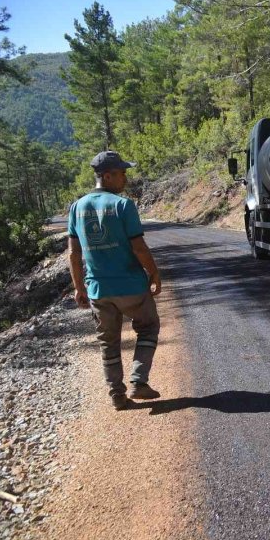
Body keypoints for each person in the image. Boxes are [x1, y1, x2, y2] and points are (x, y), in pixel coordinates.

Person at [67, 151, 163, 410]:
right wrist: (154, 272)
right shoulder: (123, 205)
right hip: (131, 286)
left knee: (108, 342)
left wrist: (79, 288)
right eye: (122, 173)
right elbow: (139, 247)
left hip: (99, 289)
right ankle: (139, 382)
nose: (125, 178)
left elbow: (74, 253)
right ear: (107, 176)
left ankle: (117, 396)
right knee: (148, 327)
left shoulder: (76, 208)